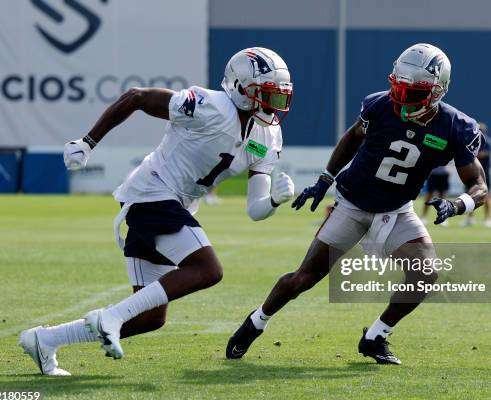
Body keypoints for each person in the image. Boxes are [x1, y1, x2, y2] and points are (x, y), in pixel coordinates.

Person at [18, 47, 295, 376]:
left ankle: (45, 340)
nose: (270, 105)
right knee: (208, 269)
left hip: (172, 204)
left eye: (276, 97)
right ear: (237, 86)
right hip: (151, 192)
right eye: (263, 95)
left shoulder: (269, 134)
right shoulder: (208, 106)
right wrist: (88, 141)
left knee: (151, 317)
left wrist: (275, 202)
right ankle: (112, 316)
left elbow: (255, 209)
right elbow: (136, 97)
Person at [226, 43, 488, 365]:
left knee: (426, 273)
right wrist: (325, 179)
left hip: (395, 210)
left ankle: (376, 336)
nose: (402, 99)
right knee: (304, 279)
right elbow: (352, 137)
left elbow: (478, 186)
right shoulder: (379, 106)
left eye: (413, 92)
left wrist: (458, 206)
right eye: (399, 88)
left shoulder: (455, 127)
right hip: (352, 204)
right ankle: (256, 322)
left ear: (438, 91)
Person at [464, 122, 491, 227]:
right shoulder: (472, 141)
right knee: (469, 195)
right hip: (472, 172)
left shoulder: (488, 142)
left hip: (484, 173)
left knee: (486, 196)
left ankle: (487, 219)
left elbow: (483, 154)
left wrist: (471, 154)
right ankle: (469, 219)